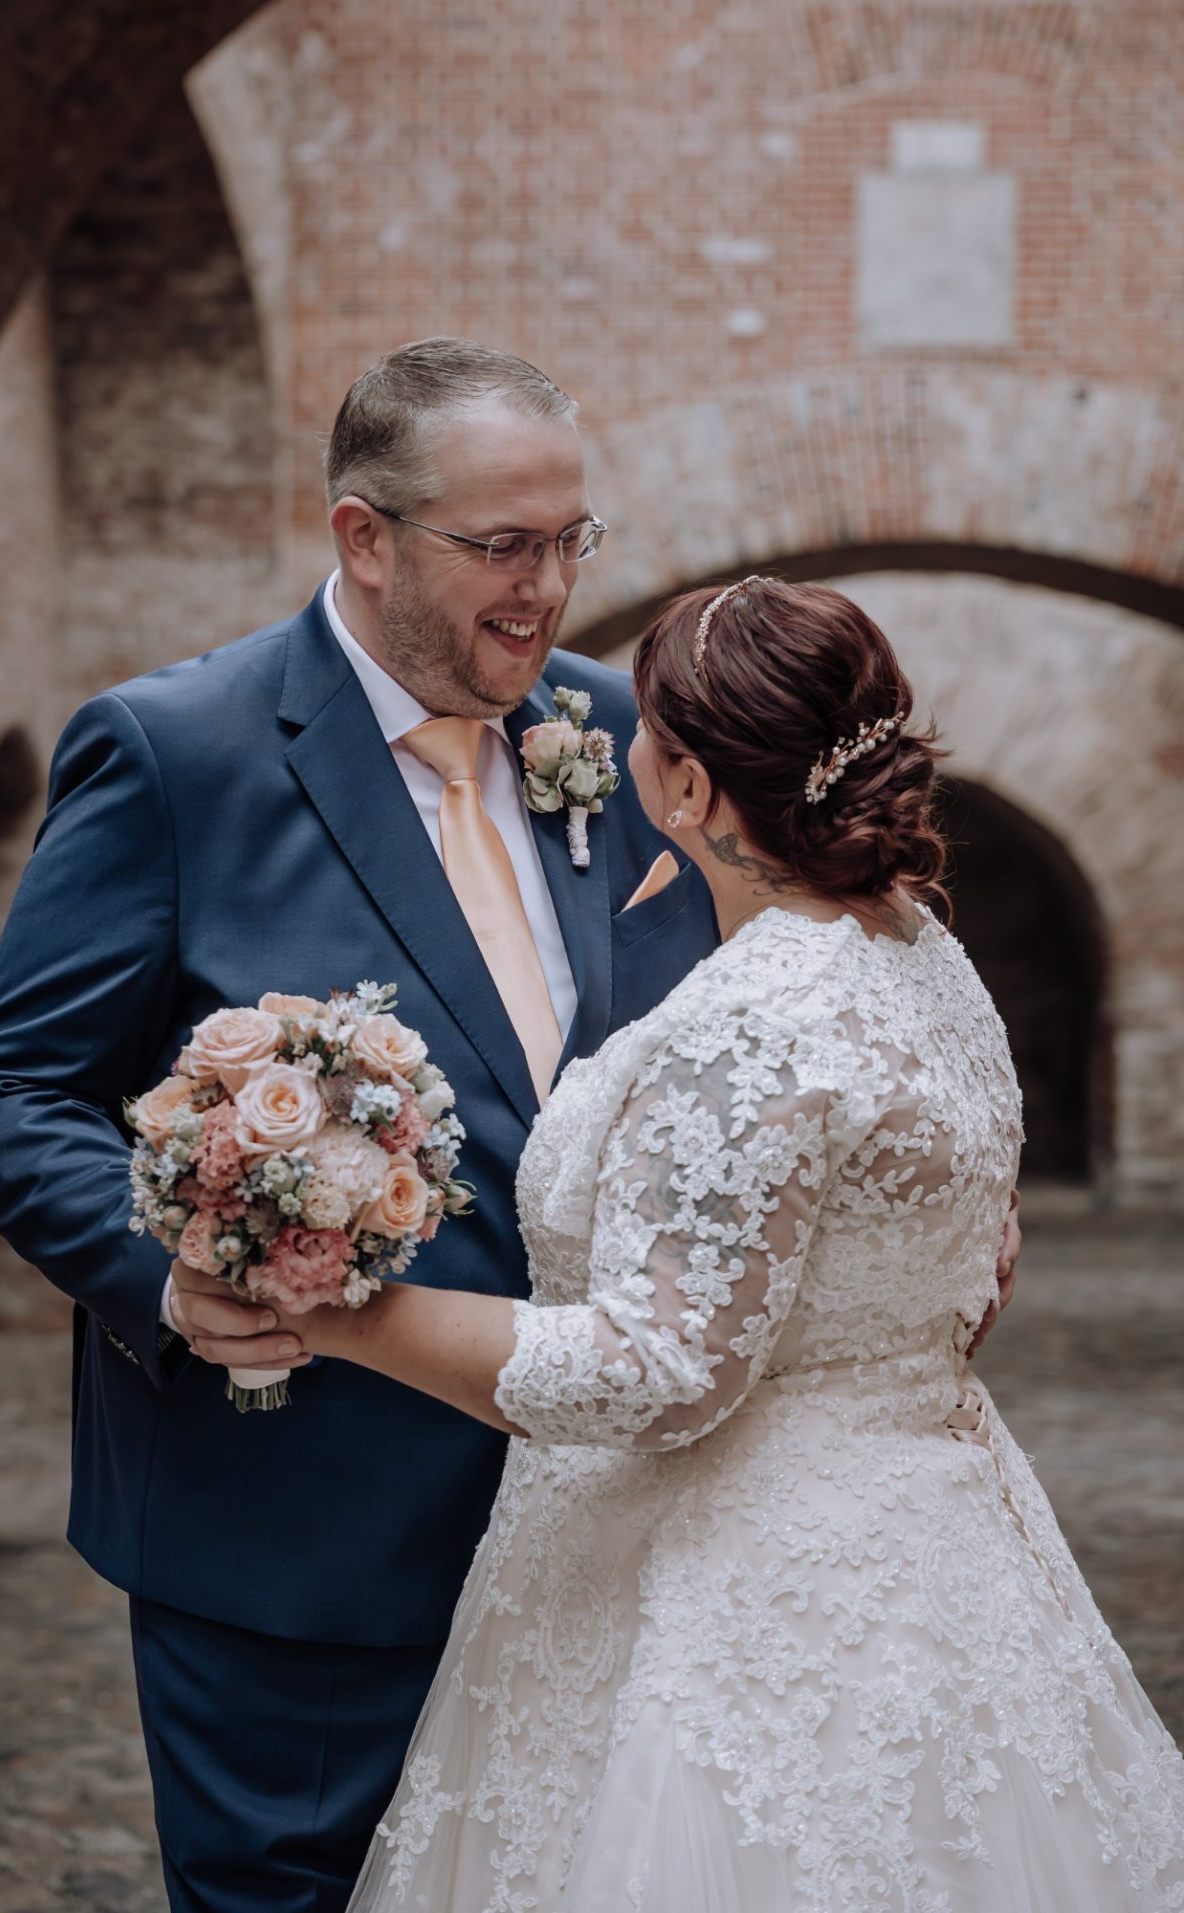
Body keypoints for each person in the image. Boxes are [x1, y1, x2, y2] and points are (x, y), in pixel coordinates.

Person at [0, 341, 1017, 1912]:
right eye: (499, 545)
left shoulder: (628, 738)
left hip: (629, 1538)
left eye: (570, 539)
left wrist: (928, 1213)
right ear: (363, 535)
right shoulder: (176, 753)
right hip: (302, 1533)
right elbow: (9, 1090)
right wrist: (172, 1281)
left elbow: (796, 1036)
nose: (546, 588)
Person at [194, 576, 1184, 1911]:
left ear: (693, 791)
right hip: (932, 1541)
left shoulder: (749, 1020)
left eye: (650, 734)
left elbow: (658, 1370)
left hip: (735, 1594)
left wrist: (337, 1309)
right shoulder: (918, 950)